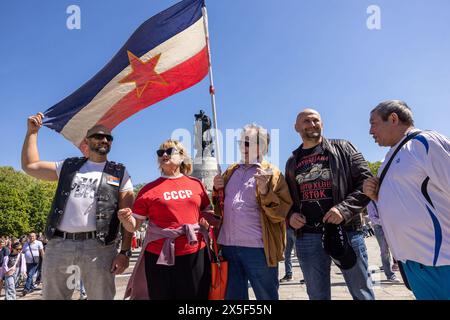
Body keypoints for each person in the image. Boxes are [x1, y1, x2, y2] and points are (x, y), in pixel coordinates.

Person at [21, 112, 134, 300]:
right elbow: (30, 166)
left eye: (108, 137)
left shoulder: (120, 172)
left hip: (99, 247)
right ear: (86, 142)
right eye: (98, 136)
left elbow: (128, 218)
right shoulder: (68, 166)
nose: (104, 140)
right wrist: (32, 133)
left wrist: (124, 252)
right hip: (59, 244)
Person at [363, 100, 450, 299]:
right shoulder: (388, 158)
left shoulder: (425, 142)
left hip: (440, 261)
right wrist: (377, 196)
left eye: (373, 123)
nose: (370, 131)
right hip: (412, 263)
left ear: (393, 118)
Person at [286, 109, 375, 300]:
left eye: (315, 120)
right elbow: (287, 199)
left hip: (347, 231)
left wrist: (343, 209)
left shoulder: (344, 147)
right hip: (308, 236)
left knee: (362, 292)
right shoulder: (292, 161)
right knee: (317, 295)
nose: (311, 124)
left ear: (322, 124)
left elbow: (366, 183)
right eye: (306, 121)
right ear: (296, 127)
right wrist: (290, 216)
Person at [120, 139, 212, 300]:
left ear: (182, 157)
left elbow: (206, 210)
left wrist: (207, 219)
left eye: (169, 151)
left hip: (195, 252)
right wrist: (126, 219)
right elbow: (134, 226)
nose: (164, 154)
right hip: (158, 256)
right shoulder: (148, 189)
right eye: (160, 152)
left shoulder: (196, 184)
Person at [212, 124, 293, 300]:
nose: (243, 146)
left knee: (266, 297)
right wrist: (216, 189)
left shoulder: (273, 173)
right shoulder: (230, 171)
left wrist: (265, 191)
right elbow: (219, 209)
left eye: (248, 142)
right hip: (229, 248)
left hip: (259, 250)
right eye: (241, 142)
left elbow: (280, 213)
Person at [366, 201, 399, 282]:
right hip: (379, 227)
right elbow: (372, 217)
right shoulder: (371, 202)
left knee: (398, 249)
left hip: (392, 225)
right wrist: (385, 222)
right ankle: (390, 275)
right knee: (385, 251)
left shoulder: (388, 196)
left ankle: (406, 273)